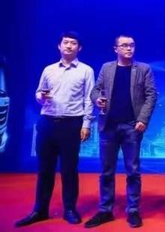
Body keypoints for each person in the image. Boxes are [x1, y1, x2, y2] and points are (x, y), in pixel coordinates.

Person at [15, 31, 94, 228]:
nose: (69, 46)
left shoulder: (86, 70)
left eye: (73, 43)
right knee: (44, 169)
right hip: (47, 123)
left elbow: (89, 99)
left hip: (71, 124)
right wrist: (41, 97)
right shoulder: (49, 69)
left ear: (79, 48)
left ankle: (70, 209)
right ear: (59, 46)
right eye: (65, 42)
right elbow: (38, 93)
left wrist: (86, 124)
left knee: (69, 170)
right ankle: (40, 210)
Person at [84, 35, 157, 229]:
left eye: (132, 45)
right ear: (115, 49)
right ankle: (105, 210)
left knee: (133, 171)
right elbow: (95, 90)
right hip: (108, 126)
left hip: (132, 126)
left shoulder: (143, 69)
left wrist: (142, 120)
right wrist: (97, 99)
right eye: (124, 45)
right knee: (106, 171)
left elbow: (151, 96)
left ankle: (133, 210)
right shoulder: (107, 68)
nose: (129, 48)